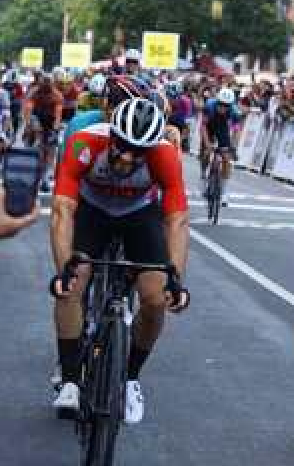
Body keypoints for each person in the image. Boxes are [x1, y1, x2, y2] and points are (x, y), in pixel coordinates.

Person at [49, 98, 190, 425]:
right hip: (91, 208)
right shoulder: (85, 141)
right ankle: (70, 379)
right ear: (112, 135)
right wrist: (64, 269)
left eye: (137, 151)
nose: (127, 156)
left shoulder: (164, 156)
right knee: (73, 286)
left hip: (138, 213)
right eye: (122, 146)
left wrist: (176, 279)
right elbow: (62, 212)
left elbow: (177, 221)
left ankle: (130, 378)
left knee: (155, 300)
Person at [22, 72, 64, 190]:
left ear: (51, 84)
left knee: (51, 148)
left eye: (48, 84)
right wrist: (29, 125)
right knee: (37, 146)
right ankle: (34, 170)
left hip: (50, 122)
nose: (45, 86)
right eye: (43, 83)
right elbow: (28, 110)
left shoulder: (57, 95)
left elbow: (58, 114)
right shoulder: (34, 92)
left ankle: (46, 175)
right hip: (36, 119)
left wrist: (55, 130)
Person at [202, 86, 240, 189]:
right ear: (217, 102)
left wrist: (233, 147)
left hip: (222, 128)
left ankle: (223, 190)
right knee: (206, 152)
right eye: (221, 104)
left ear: (230, 106)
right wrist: (207, 144)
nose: (223, 107)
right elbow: (204, 126)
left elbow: (236, 131)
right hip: (210, 126)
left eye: (226, 106)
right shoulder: (209, 105)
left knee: (226, 159)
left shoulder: (235, 112)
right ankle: (204, 172)